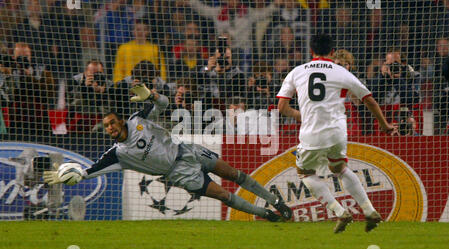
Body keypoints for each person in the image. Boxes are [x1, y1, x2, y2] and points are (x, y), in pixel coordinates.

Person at [44, 83, 292, 222]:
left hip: (187, 150)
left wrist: (151, 95)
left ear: (119, 120)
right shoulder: (117, 154)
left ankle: (276, 201)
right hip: (180, 174)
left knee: (235, 174)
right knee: (224, 195)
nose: (110, 128)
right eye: (106, 126)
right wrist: (70, 174)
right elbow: (90, 171)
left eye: (112, 123)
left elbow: (164, 105)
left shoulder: (137, 119)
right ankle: (267, 214)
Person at [277, 34, 398, 233]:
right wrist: (384, 125)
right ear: (332, 53)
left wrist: (302, 116)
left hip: (312, 133)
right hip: (338, 132)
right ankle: (369, 210)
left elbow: (282, 106)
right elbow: (369, 99)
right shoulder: (341, 72)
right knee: (340, 168)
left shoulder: (297, 72)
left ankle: (340, 212)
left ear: (311, 51)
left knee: (304, 173)